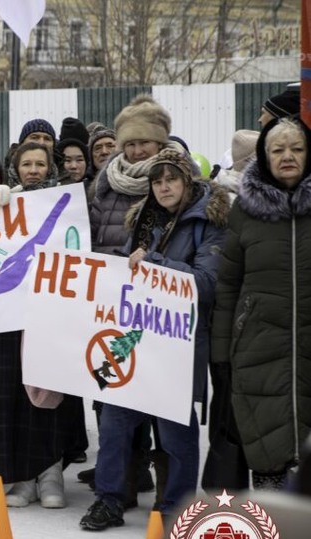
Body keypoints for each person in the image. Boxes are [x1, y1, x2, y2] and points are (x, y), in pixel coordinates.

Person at [80, 148, 229, 531]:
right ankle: (108, 500)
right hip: (133, 337)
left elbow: (207, 284)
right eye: (157, 181)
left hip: (177, 347)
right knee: (113, 422)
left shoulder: (207, 223)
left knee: (176, 432)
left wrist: (156, 264)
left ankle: (176, 507)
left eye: (171, 179)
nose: (163, 187)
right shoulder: (142, 219)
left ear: (188, 181)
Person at [86, 94, 190, 509]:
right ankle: (119, 491)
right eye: (129, 143)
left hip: (166, 313)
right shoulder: (106, 183)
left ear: (161, 142)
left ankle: (171, 499)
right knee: (115, 401)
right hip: (114, 305)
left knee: (165, 408)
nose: (135, 151)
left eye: (144, 143)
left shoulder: (183, 184)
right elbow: (91, 236)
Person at [0, 140, 70, 509]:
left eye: (41, 163)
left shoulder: (67, 203)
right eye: (27, 164)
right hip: (5, 318)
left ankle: (51, 471)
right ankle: (22, 475)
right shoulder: (2, 202)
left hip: (50, 314)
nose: (34, 170)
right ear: (16, 168)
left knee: (48, 395)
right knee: (12, 397)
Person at [212, 117, 311, 490]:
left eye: (297, 149)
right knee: (267, 453)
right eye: (278, 149)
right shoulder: (245, 212)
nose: (288, 156)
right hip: (258, 349)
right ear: (264, 157)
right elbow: (228, 285)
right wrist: (221, 355)